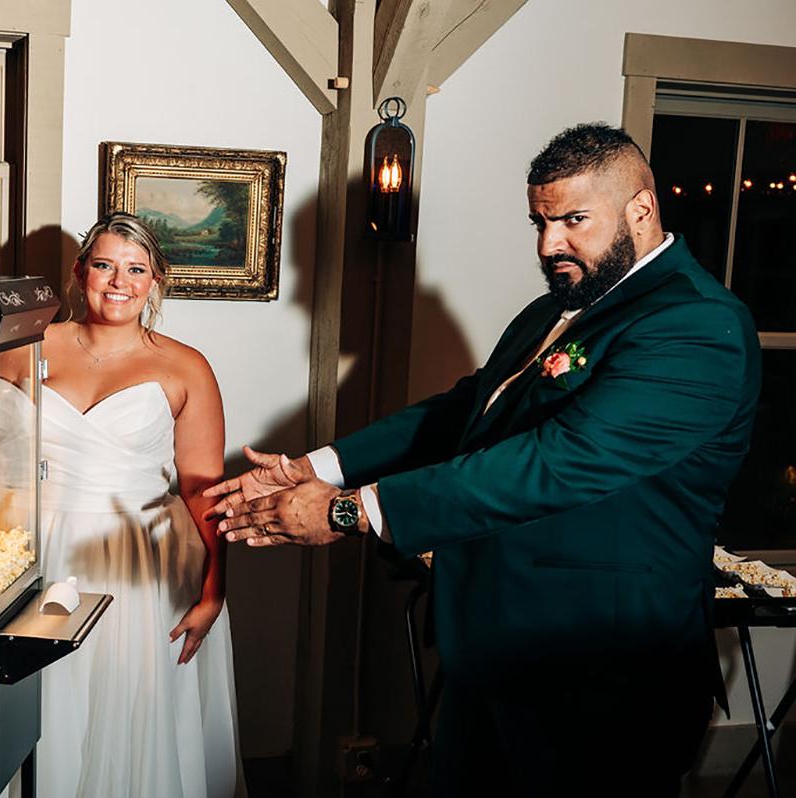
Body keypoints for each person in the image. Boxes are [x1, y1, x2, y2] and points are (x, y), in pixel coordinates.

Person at [207, 123, 761, 796]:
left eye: (572, 221)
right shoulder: (555, 308)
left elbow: (560, 461)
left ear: (640, 211)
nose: (548, 244)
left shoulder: (697, 325)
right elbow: (464, 413)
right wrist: (323, 467)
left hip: (600, 673)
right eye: (539, 222)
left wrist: (353, 510)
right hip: (497, 649)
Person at [30, 212, 246, 797]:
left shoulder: (186, 366)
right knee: (48, 707)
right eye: (104, 265)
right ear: (80, 273)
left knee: (131, 709)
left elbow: (205, 489)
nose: (117, 281)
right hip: (43, 549)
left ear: (155, 281)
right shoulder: (28, 346)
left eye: (135, 269)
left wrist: (214, 590)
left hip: (144, 563)